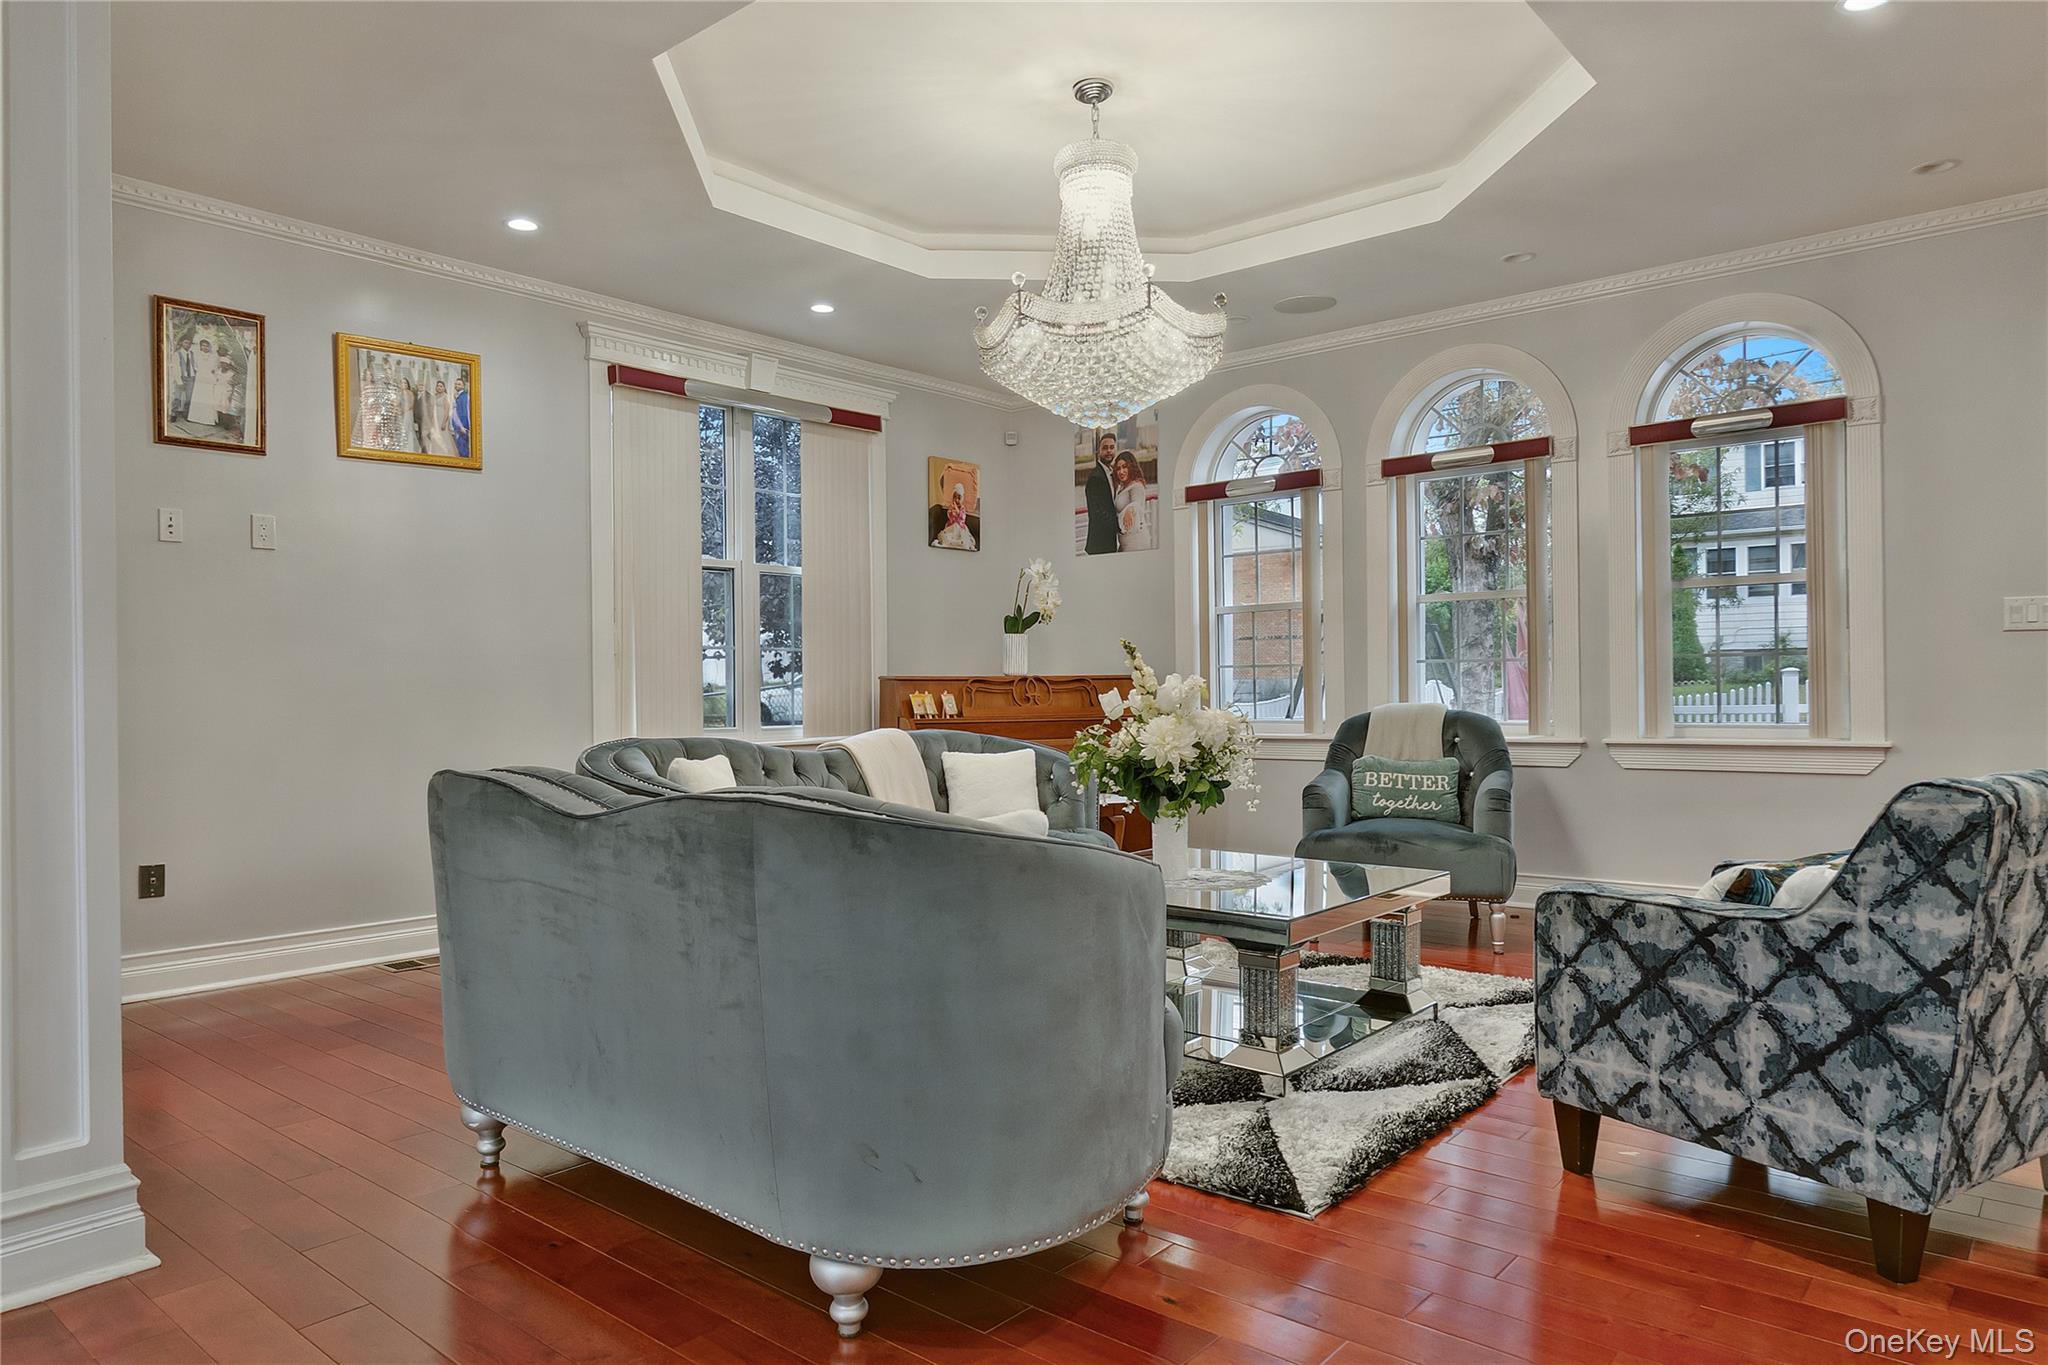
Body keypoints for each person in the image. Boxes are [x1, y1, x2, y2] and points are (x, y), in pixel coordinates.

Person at [1084, 429, 1120, 554]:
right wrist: (1119, 525)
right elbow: (1097, 512)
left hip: (1110, 541)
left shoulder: (1111, 472)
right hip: (1099, 544)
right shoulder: (1095, 477)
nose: (1109, 451)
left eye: (1111, 447)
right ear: (1098, 451)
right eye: (1105, 448)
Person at [1113, 451, 1154, 551]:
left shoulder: (1136, 486)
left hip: (1136, 541)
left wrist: (1130, 509)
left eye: (1124, 467)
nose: (1121, 471)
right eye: (1118, 468)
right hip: (1125, 541)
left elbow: (1137, 503)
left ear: (1131, 467)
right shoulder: (1122, 487)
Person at [186, 338, 220, 427]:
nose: (205, 347)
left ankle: (208, 419)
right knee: (198, 396)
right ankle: (195, 417)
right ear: (200, 346)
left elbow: (215, 368)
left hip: (209, 378)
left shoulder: (214, 356)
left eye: (206, 346)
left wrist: (213, 375)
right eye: (203, 345)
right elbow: (195, 366)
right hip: (200, 378)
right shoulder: (197, 355)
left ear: (209, 347)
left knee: (208, 397)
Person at [934, 483, 977, 551]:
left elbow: (962, 517)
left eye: (959, 498)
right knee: (946, 537)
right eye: (954, 497)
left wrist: (957, 511)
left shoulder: (962, 508)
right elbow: (949, 516)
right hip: (951, 527)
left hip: (960, 528)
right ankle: (946, 544)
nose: (956, 500)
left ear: (962, 499)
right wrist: (951, 511)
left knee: (963, 539)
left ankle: (961, 545)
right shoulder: (951, 507)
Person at [449, 372, 471, 459]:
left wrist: (462, 426)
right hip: (457, 426)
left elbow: (464, 413)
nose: (456, 385)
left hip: (462, 426)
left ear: (463, 386)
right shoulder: (457, 396)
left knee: (463, 449)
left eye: (459, 384)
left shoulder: (464, 397)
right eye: (455, 384)